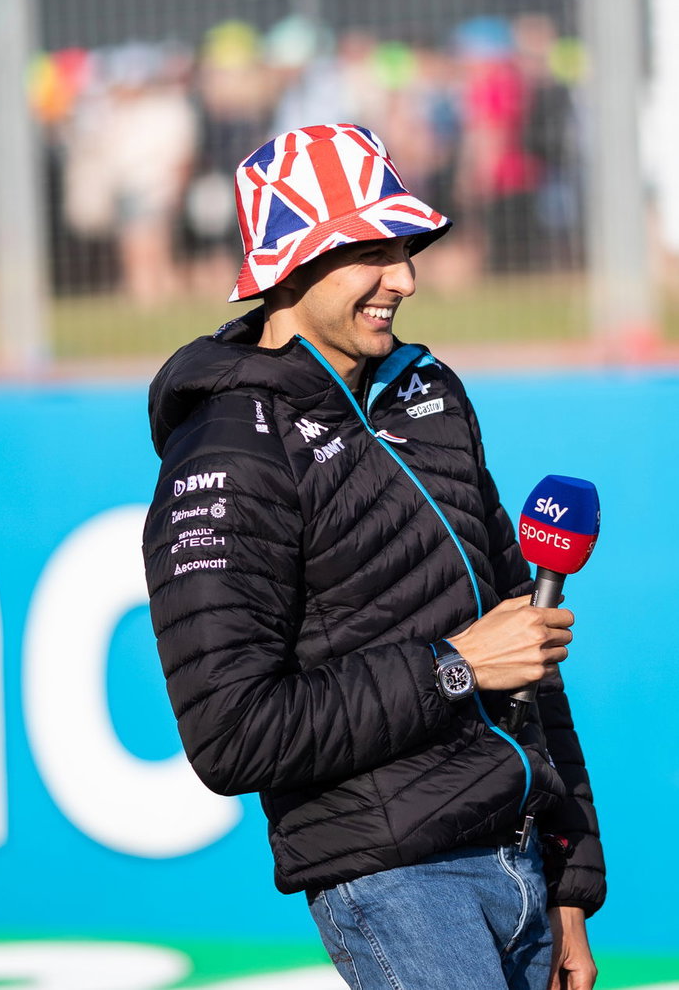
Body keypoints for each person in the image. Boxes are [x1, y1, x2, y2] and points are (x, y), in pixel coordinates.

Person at [142, 124, 603, 990]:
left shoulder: (430, 391)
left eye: (407, 248)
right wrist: (458, 668)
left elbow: (525, 648)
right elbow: (232, 735)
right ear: (288, 266)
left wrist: (571, 882)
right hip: (396, 882)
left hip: (523, 865)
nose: (405, 277)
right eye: (371, 250)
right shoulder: (225, 448)